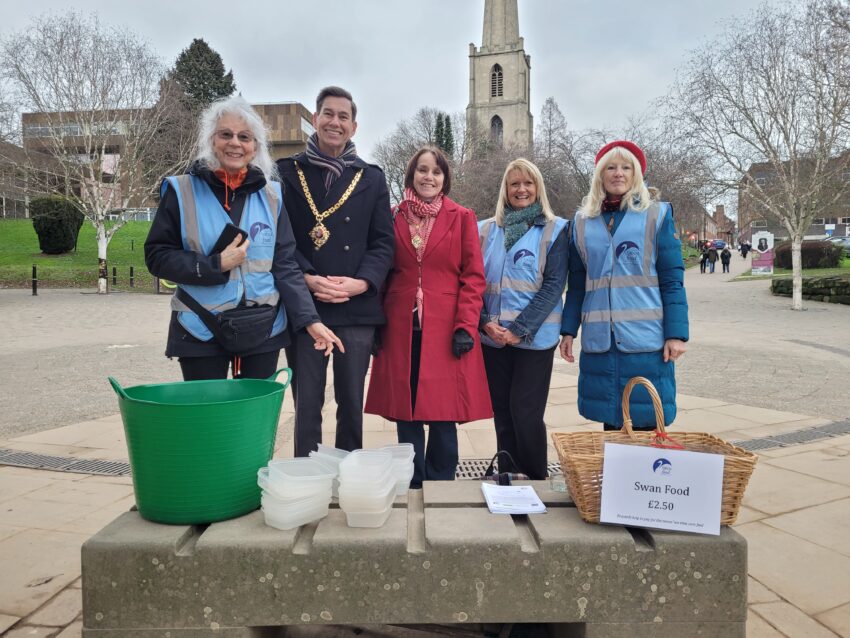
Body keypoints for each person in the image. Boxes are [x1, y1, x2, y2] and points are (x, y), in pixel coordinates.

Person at [145, 96, 342, 381]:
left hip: (263, 327)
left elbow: (285, 265)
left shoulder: (273, 195)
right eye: (226, 134)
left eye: (244, 137)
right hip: (200, 327)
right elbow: (157, 257)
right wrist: (214, 264)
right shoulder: (181, 190)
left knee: (255, 420)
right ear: (212, 140)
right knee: (208, 420)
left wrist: (310, 320)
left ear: (255, 147)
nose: (235, 143)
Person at [277, 86, 394, 456]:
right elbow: (281, 241)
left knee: (351, 405)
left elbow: (383, 243)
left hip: (354, 308)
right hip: (306, 306)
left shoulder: (372, 178)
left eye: (343, 117)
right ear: (315, 119)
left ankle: (349, 475)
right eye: (328, 114)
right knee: (307, 405)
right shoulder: (285, 173)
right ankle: (308, 478)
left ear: (354, 127)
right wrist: (307, 277)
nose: (335, 122)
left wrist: (361, 283)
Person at [365, 147, 492, 487]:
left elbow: (473, 276)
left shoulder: (462, 217)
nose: (428, 177)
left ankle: (440, 481)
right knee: (405, 410)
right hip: (400, 325)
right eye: (422, 170)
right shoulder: (392, 216)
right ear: (411, 176)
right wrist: (375, 321)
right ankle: (412, 479)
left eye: (436, 172)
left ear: (445, 179)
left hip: (446, 326)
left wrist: (466, 324)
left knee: (442, 411)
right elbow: (381, 270)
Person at [559, 140, 688, 431]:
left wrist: (677, 334)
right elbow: (577, 284)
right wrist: (568, 330)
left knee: (645, 422)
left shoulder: (657, 215)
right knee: (612, 424)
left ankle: (646, 479)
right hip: (600, 342)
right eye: (611, 167)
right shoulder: (581, 222)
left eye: (626, 167)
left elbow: (672, 280)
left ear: (636, 174)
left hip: (645, 342)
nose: (618, 173)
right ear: (600, 176)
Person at [478, 159, 568, 480]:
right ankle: (509, 477)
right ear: (505, 189)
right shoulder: (485, 229)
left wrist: (518, 331)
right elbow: (473, 282)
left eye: (528, 183)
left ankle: (535, 479)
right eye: (514, 183)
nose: (521, 189)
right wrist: (484, 321)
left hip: (533, 340)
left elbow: (553, 286)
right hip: (492, 339)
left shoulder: (555, 229)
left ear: (538, 189)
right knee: (502, 413)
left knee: (525, 412)